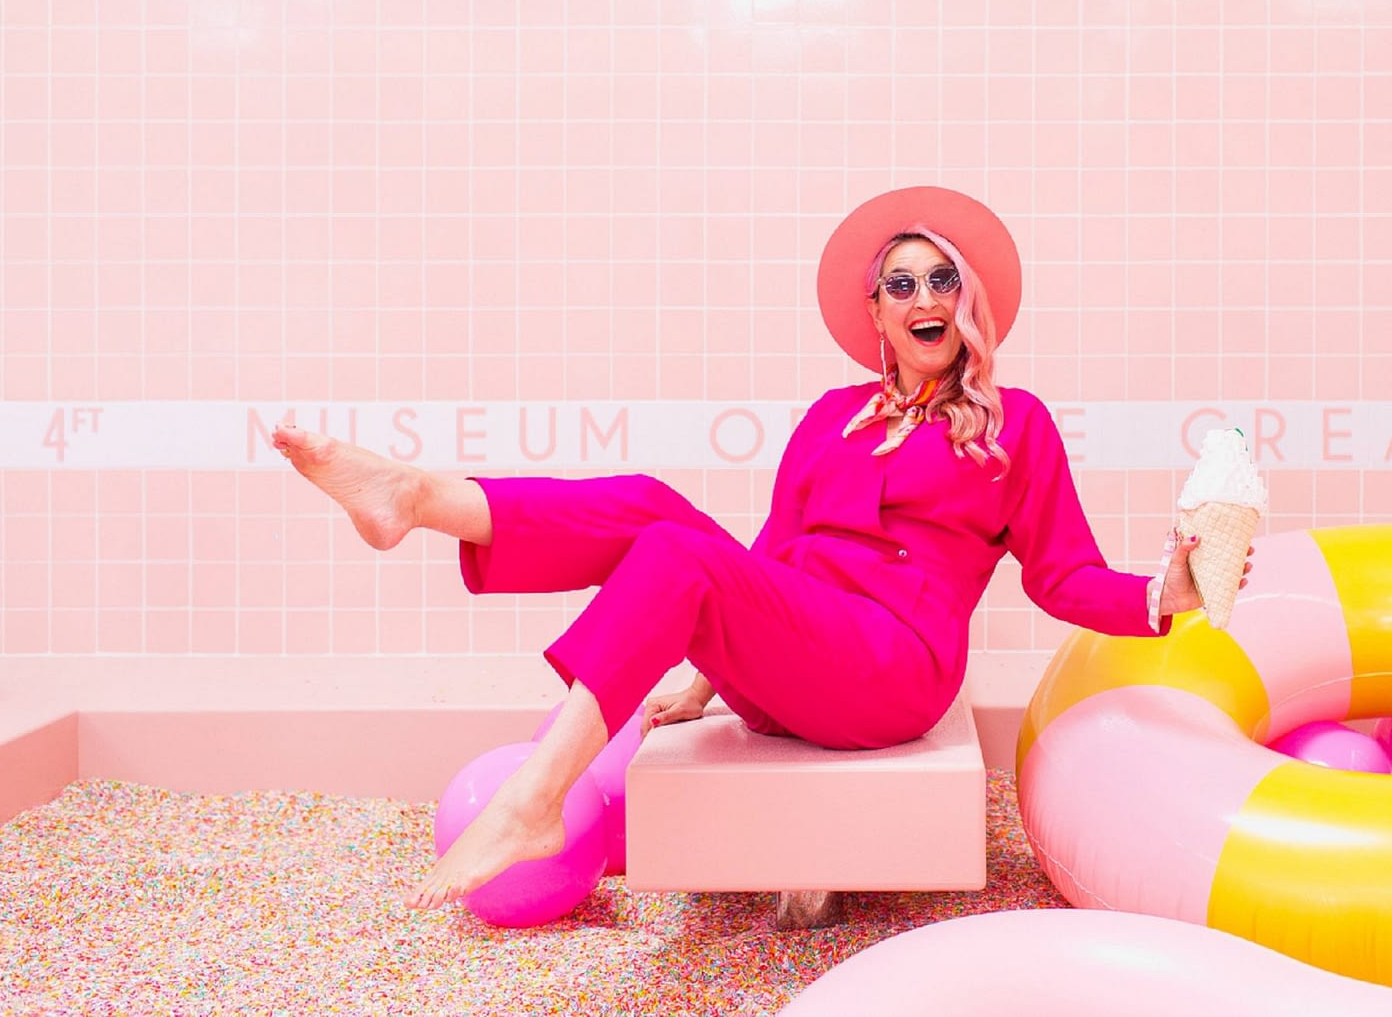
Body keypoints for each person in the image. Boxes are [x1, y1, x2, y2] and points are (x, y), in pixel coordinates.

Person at [273, 186, 1245, 909]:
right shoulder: (830, 416)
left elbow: (1064, 577)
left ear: (970, 298)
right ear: (875, 315)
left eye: (940, 277)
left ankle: (534, 797)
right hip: (797, 659)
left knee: (677, 548)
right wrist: (700, 685)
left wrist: (1169, 595)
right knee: (658, 510)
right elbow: (771, 552)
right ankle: (423, 497)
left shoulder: (1011, 426)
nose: (922, 296)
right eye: (899, 283)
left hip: (890, 672)